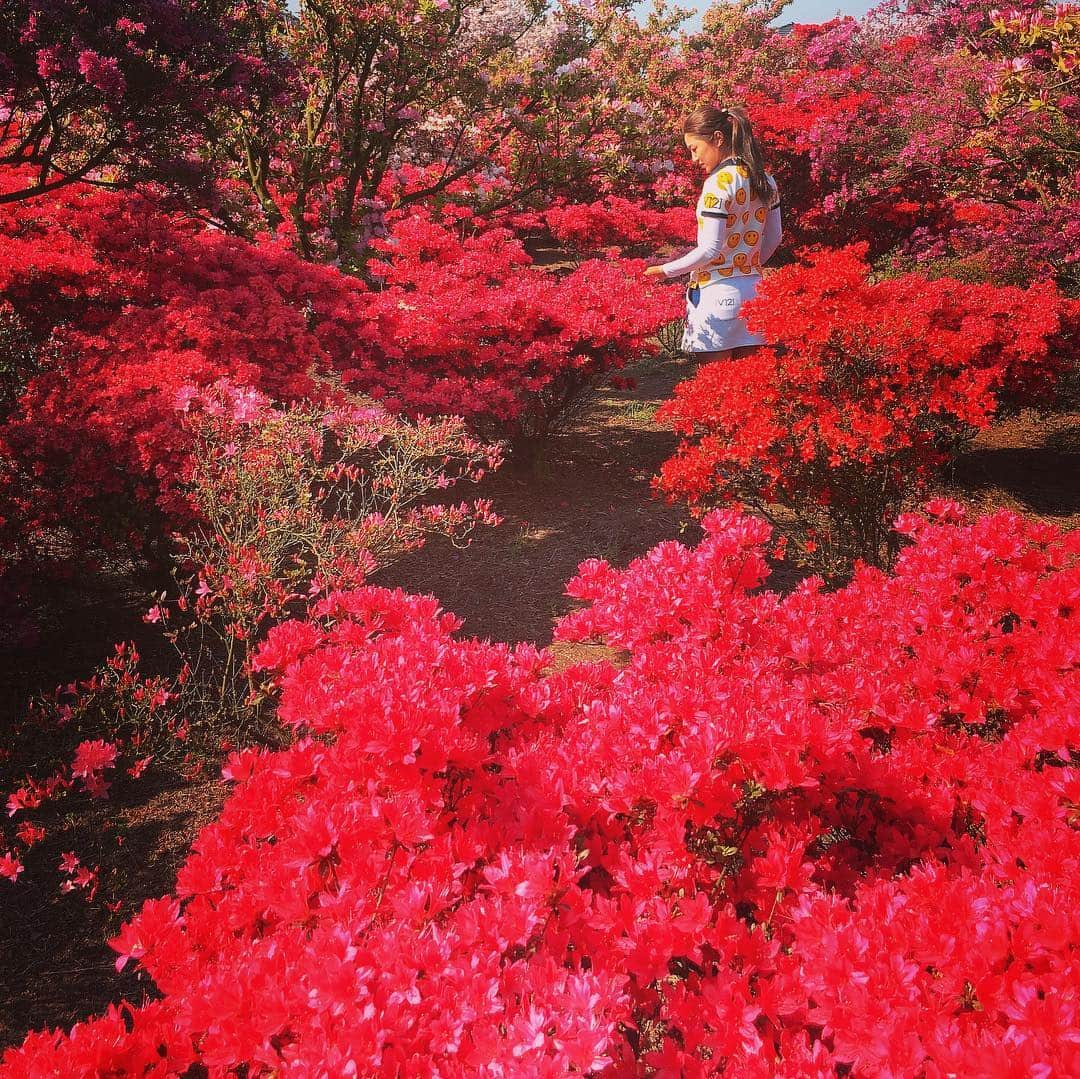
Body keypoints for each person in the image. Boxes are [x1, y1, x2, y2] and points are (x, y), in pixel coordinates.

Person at [645, 104, 782, 361]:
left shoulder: (717, 185)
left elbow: (710, 249)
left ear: (717, 139)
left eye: (695, 149)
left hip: (716, 296)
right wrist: (746, 266)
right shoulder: (765, 179)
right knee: (750, 388)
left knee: (715, 392)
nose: (694, 159)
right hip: (754, 292)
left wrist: (664, 270)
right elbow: (774, 238)